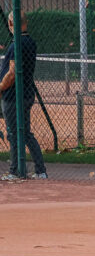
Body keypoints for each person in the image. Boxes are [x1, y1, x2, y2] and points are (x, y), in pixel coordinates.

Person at [1, 11, 47, 180]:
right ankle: (40, 171)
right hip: (27, 93)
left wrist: (0, 87)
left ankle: (15, 171)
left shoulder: (15, 45)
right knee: (25, 133)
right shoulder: (30, 42)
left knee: (13, 134)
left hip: (13, 96)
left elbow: (12, 73)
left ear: (11, 23)